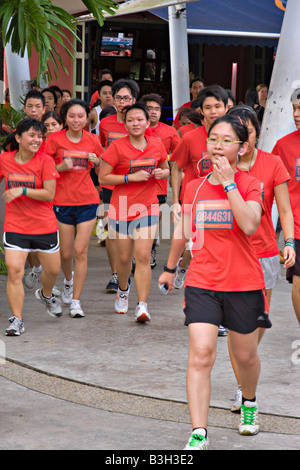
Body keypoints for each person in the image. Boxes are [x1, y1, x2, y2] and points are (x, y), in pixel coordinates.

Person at [159, 114, 269, 449]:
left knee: (245, 356)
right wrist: (169, 266)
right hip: (202, 280)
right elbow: (183, 230)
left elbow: (250, 224)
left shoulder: (251, 184)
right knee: (202, 353)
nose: (218, 146)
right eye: (213, 139)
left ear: (243, 147)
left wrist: (230, 183)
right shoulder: (194, 187)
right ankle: (199, 431)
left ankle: (248, 402)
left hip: (244, 283)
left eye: (226, 140)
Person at [227, 105, 295, 411]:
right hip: (229, 253)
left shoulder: (272, 164)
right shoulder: (221, 165)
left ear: (257, 133)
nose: (242, 139)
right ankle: (242, 388)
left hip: (265, 251)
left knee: (258, 322)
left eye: (248, 132)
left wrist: (290, 241)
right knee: (236, 324)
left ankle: (246, 368)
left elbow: (284, 208)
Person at [99, 103, 169, 322]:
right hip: (121, 207)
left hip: (147, 206)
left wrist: (161, 173)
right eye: (130, 120)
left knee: (143, 256)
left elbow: (167, 168)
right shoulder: (117, 147)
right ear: (125, 123)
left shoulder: (157, 144)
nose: (135, 123)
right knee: (123, 258)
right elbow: (103, 178)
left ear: (148, 123)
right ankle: (123, 289)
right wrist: (130, 177)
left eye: (140, 119)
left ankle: (142, 305)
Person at [170, 85, 228, 314]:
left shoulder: (233, 137)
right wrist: (176, 200)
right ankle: (195, 305)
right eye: (208, 107)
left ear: (226, 108)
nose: (213, 111)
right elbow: (176, 169)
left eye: (217, 106)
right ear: (201, 111)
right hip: (194, 207)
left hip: (225, 207)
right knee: (201, 257)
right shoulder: (189, 137)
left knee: (220, 259)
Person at [0, 118, 61, 336]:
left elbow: (50, 194)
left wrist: (22, 191)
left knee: (53, 271)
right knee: (15, 272)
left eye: (39, 136)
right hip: (15, 226)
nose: (37, 140)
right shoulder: (5, 159)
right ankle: (17, 320)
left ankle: (46, 294)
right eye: (32, 135)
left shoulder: (45, 161)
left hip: (44, 225)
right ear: (18, 138)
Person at [44, 99, 104, 318]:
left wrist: (97, 161)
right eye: (72, 116)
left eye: (81, 116)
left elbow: (101, 167)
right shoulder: (54, 140)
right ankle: (68, 281)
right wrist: (61, 166)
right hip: (62, 201)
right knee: (66, 252)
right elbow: (45, 169)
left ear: (87, 117)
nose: (77, 120)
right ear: (64, 118)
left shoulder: (93, 139)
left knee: (81, 250)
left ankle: (77, 301)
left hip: (88, 200)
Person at [99, 78, 139, 292]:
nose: (123, 102)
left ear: (134, 99)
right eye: (118, 98)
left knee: (130, 231)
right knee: (110, 230)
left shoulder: (140, 124)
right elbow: (102, 150)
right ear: (112, 100)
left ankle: (127, 260)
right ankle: (115, 274)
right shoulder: (105, 124)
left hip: (135, 187)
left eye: (126, 98)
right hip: (111, 184)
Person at [140, 93, 181, 268]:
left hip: (158, 186)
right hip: (136, 184)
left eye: (157, 109)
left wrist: (164, 160)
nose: (153, 112)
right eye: (149, 109)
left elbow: (179, 156)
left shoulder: (169, 131)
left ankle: (150, 249)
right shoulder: (136, 129)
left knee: (153, 221)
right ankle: (139, 251)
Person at [272, 88, 300, 324]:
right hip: (297, 227)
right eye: (294, 109)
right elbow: (268, 181)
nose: (297, 114)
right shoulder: (283, 146)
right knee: (299, 284)